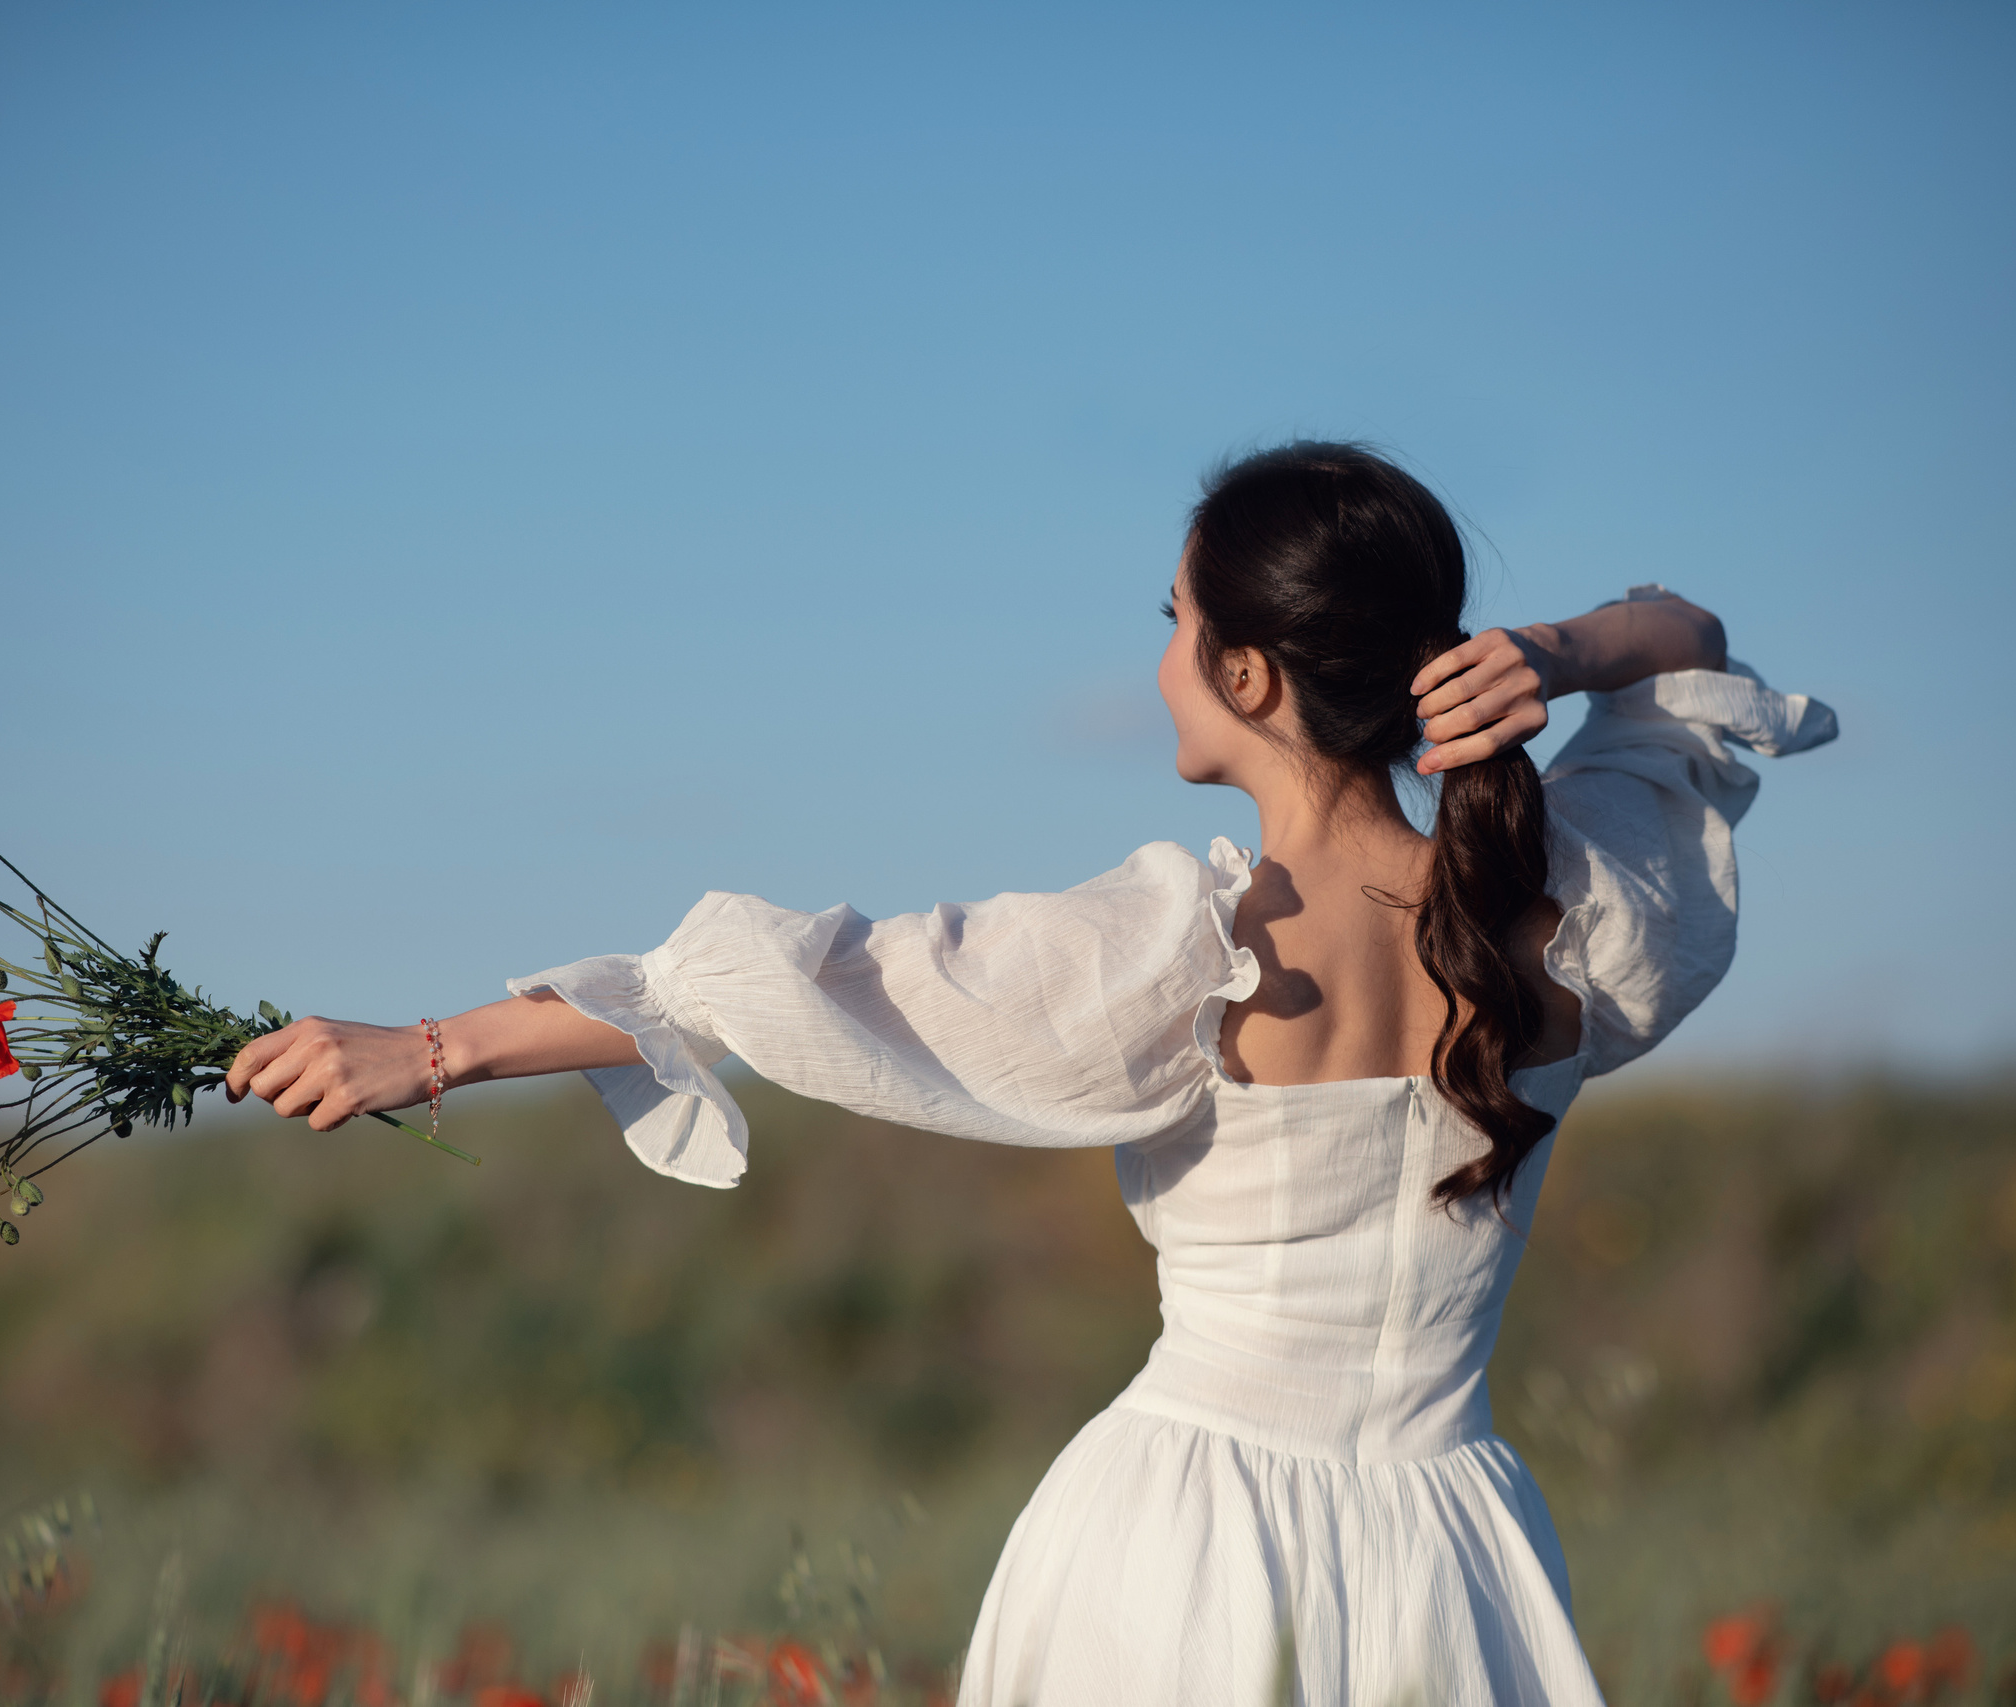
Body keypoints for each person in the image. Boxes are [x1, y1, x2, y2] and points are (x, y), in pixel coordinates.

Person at [226, 442, 1837, 1706]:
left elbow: (795, 987)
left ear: (1256, 678)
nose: (1162, 661)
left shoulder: (1183, 947)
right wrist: (1552, 654)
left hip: (1182, 1547)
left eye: (1178, 627)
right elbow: (1685, 654)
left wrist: (429, 1050)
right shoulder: (1568, 920)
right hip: (1453, 1543)